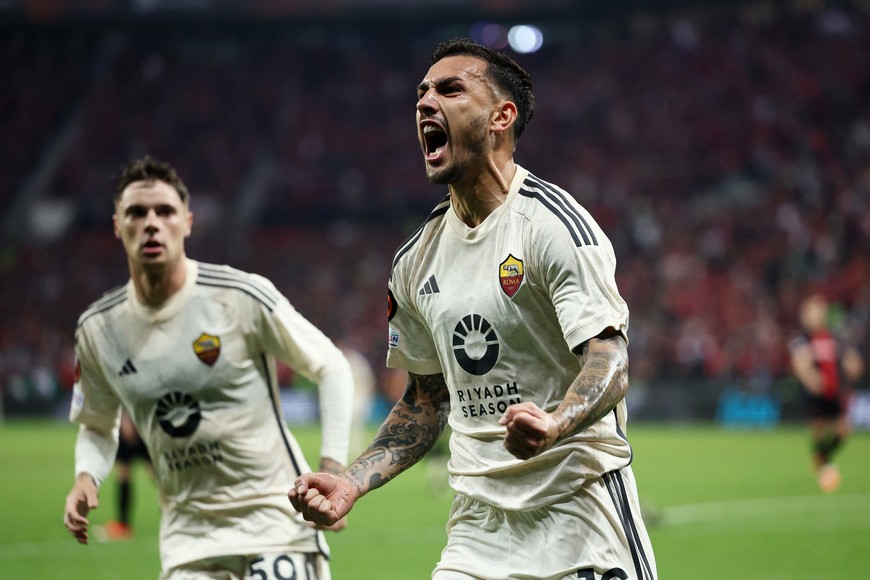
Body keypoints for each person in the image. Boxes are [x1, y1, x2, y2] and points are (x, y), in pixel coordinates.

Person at [289, 38, 657, 579]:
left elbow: (610, 360)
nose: (424, 102)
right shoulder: (413, 261)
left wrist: (556, 423)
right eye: (421, 93)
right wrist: (350, 482)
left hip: (580, 516)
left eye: (449, 89)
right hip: (477, 534)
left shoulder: (553, 225)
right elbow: (424, 399)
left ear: (500, 118)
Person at [63, 156, 354, 579]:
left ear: (187, 222)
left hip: (276, 525)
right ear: (116, 225)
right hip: (189, 540)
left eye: (164, 211)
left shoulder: (240, 295)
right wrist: (86, 477)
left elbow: (331, 367)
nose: (151, 223)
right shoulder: (97, 329)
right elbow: (96, 421)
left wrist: (333, 473)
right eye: (137, 212)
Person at [790, 293, 864, 493]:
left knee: (843, 430)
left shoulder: (834, 338)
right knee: (819, 430)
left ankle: (821, 460)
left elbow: (851, 358)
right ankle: (825, 467)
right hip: (814, 394)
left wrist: (853, 365)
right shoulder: (802, 339)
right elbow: (800, 362)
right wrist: (810, 377)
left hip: (834, 391)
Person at [95, 408, 153, 541]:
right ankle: (123, 526)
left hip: (141, 426)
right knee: (124, 472)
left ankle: (184, 515)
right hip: (138, 423)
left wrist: (128, 421)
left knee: (160, 477)